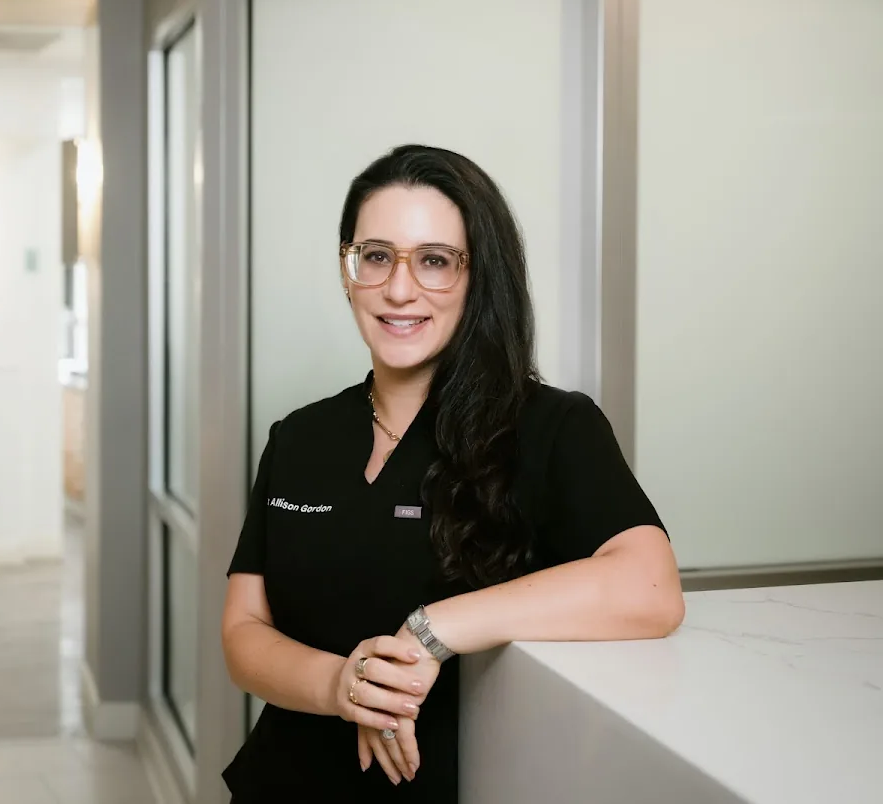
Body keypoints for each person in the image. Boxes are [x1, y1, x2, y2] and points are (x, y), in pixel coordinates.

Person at [220, 145, 685, 802]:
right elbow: (243, 631)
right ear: (348, 270)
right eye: (376, 256)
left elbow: (651, 587)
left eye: (435, 261)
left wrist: (429, 632)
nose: (399, 289)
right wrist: (342, 685)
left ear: (478, 276)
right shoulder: (300, 437)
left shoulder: (549, 428)